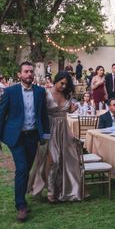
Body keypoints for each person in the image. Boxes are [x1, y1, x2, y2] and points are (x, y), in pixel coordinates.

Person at [0, 62, 49, 222]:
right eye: (26, 71)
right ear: (19, 74)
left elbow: (43, 114)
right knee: (22, 169)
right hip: (16, 137)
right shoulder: (10, 92)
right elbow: (1, 116)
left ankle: (21, 198)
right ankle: (21, 205)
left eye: (31, 71)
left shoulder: (40, 91)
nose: (29, 74)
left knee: (27, 169)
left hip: (33, 136)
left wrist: (46, 135)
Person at [29, 72, 82, 203]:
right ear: (56, 80)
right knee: (54, 160)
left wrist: (71, 109)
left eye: (66, 84)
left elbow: (68, 109)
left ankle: (63, 189)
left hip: (64, 129)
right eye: (61, 83)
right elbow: (39, 112)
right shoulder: (46, 93)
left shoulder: (67, 94)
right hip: (50, 129)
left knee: (67, 160)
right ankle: (51, 192)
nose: (63, 86)